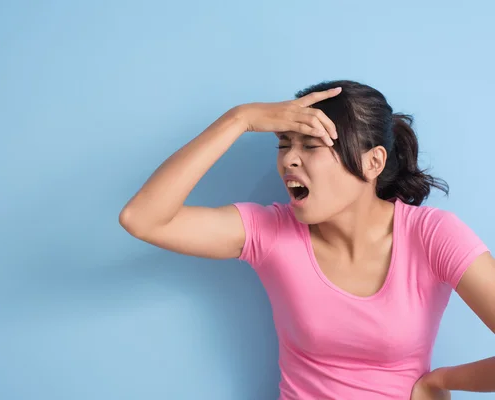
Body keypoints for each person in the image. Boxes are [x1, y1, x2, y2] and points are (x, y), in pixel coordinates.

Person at [118, 80, 495, 399]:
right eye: (284, 144)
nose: (289, 161)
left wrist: (442, 381)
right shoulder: (269, 232)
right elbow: (143, 219)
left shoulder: (432, 236)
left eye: (310, 146)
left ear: (373, 162)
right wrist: (240, 118)